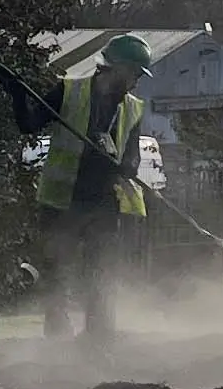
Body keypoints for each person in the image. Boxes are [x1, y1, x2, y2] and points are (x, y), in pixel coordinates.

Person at [34, 33, 150, 340]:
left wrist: (126, 165)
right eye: (135, 73)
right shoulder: (69, 91)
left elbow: (133, 155)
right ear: (117, 68)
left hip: (104, 202)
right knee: (57, 270)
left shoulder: (134, 108)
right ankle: (57, 334)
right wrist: (19, 95)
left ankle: (99, 337)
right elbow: (29, 122)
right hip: (63, 198)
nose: (137, 81)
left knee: (101, 271)